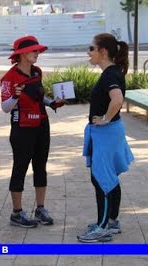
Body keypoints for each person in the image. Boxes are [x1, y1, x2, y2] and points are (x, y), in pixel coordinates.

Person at [0, 35, 64, 228]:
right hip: (22, 128)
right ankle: (17, 213)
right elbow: (5, 107)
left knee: (40, 166)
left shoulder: (37, 71)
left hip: (42, 125)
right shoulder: (9, 78)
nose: (37, 53)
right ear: (21, 54)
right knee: (20, 167)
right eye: (33, 50)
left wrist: (52, 102)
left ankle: (40, 208)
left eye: (38, 50)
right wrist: (15, 97)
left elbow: (39, 97)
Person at [77, 33, 134, 243]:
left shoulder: (110, 74)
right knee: (107, 177)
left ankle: (102, 228)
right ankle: (112, 221)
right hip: (108, 133)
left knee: (102, 179)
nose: (88, 52)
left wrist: (104, 119)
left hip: (106, 133)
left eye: (91, 48)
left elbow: (117, 99)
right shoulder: (112, 71)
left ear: (103, 51)